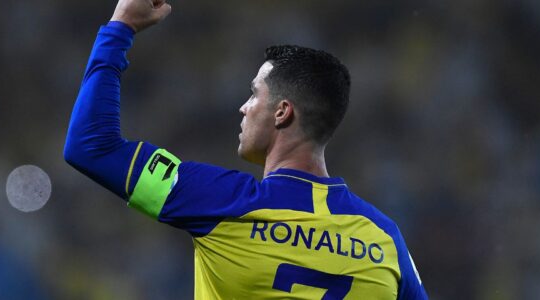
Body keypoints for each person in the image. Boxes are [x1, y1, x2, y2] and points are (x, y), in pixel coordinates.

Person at [64, 0, 428, 298]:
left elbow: (91, 147)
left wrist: (120, 27)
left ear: (282, 112)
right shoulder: (384, 239)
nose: (244, 107)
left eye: (254, 93)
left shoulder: (222, 201)